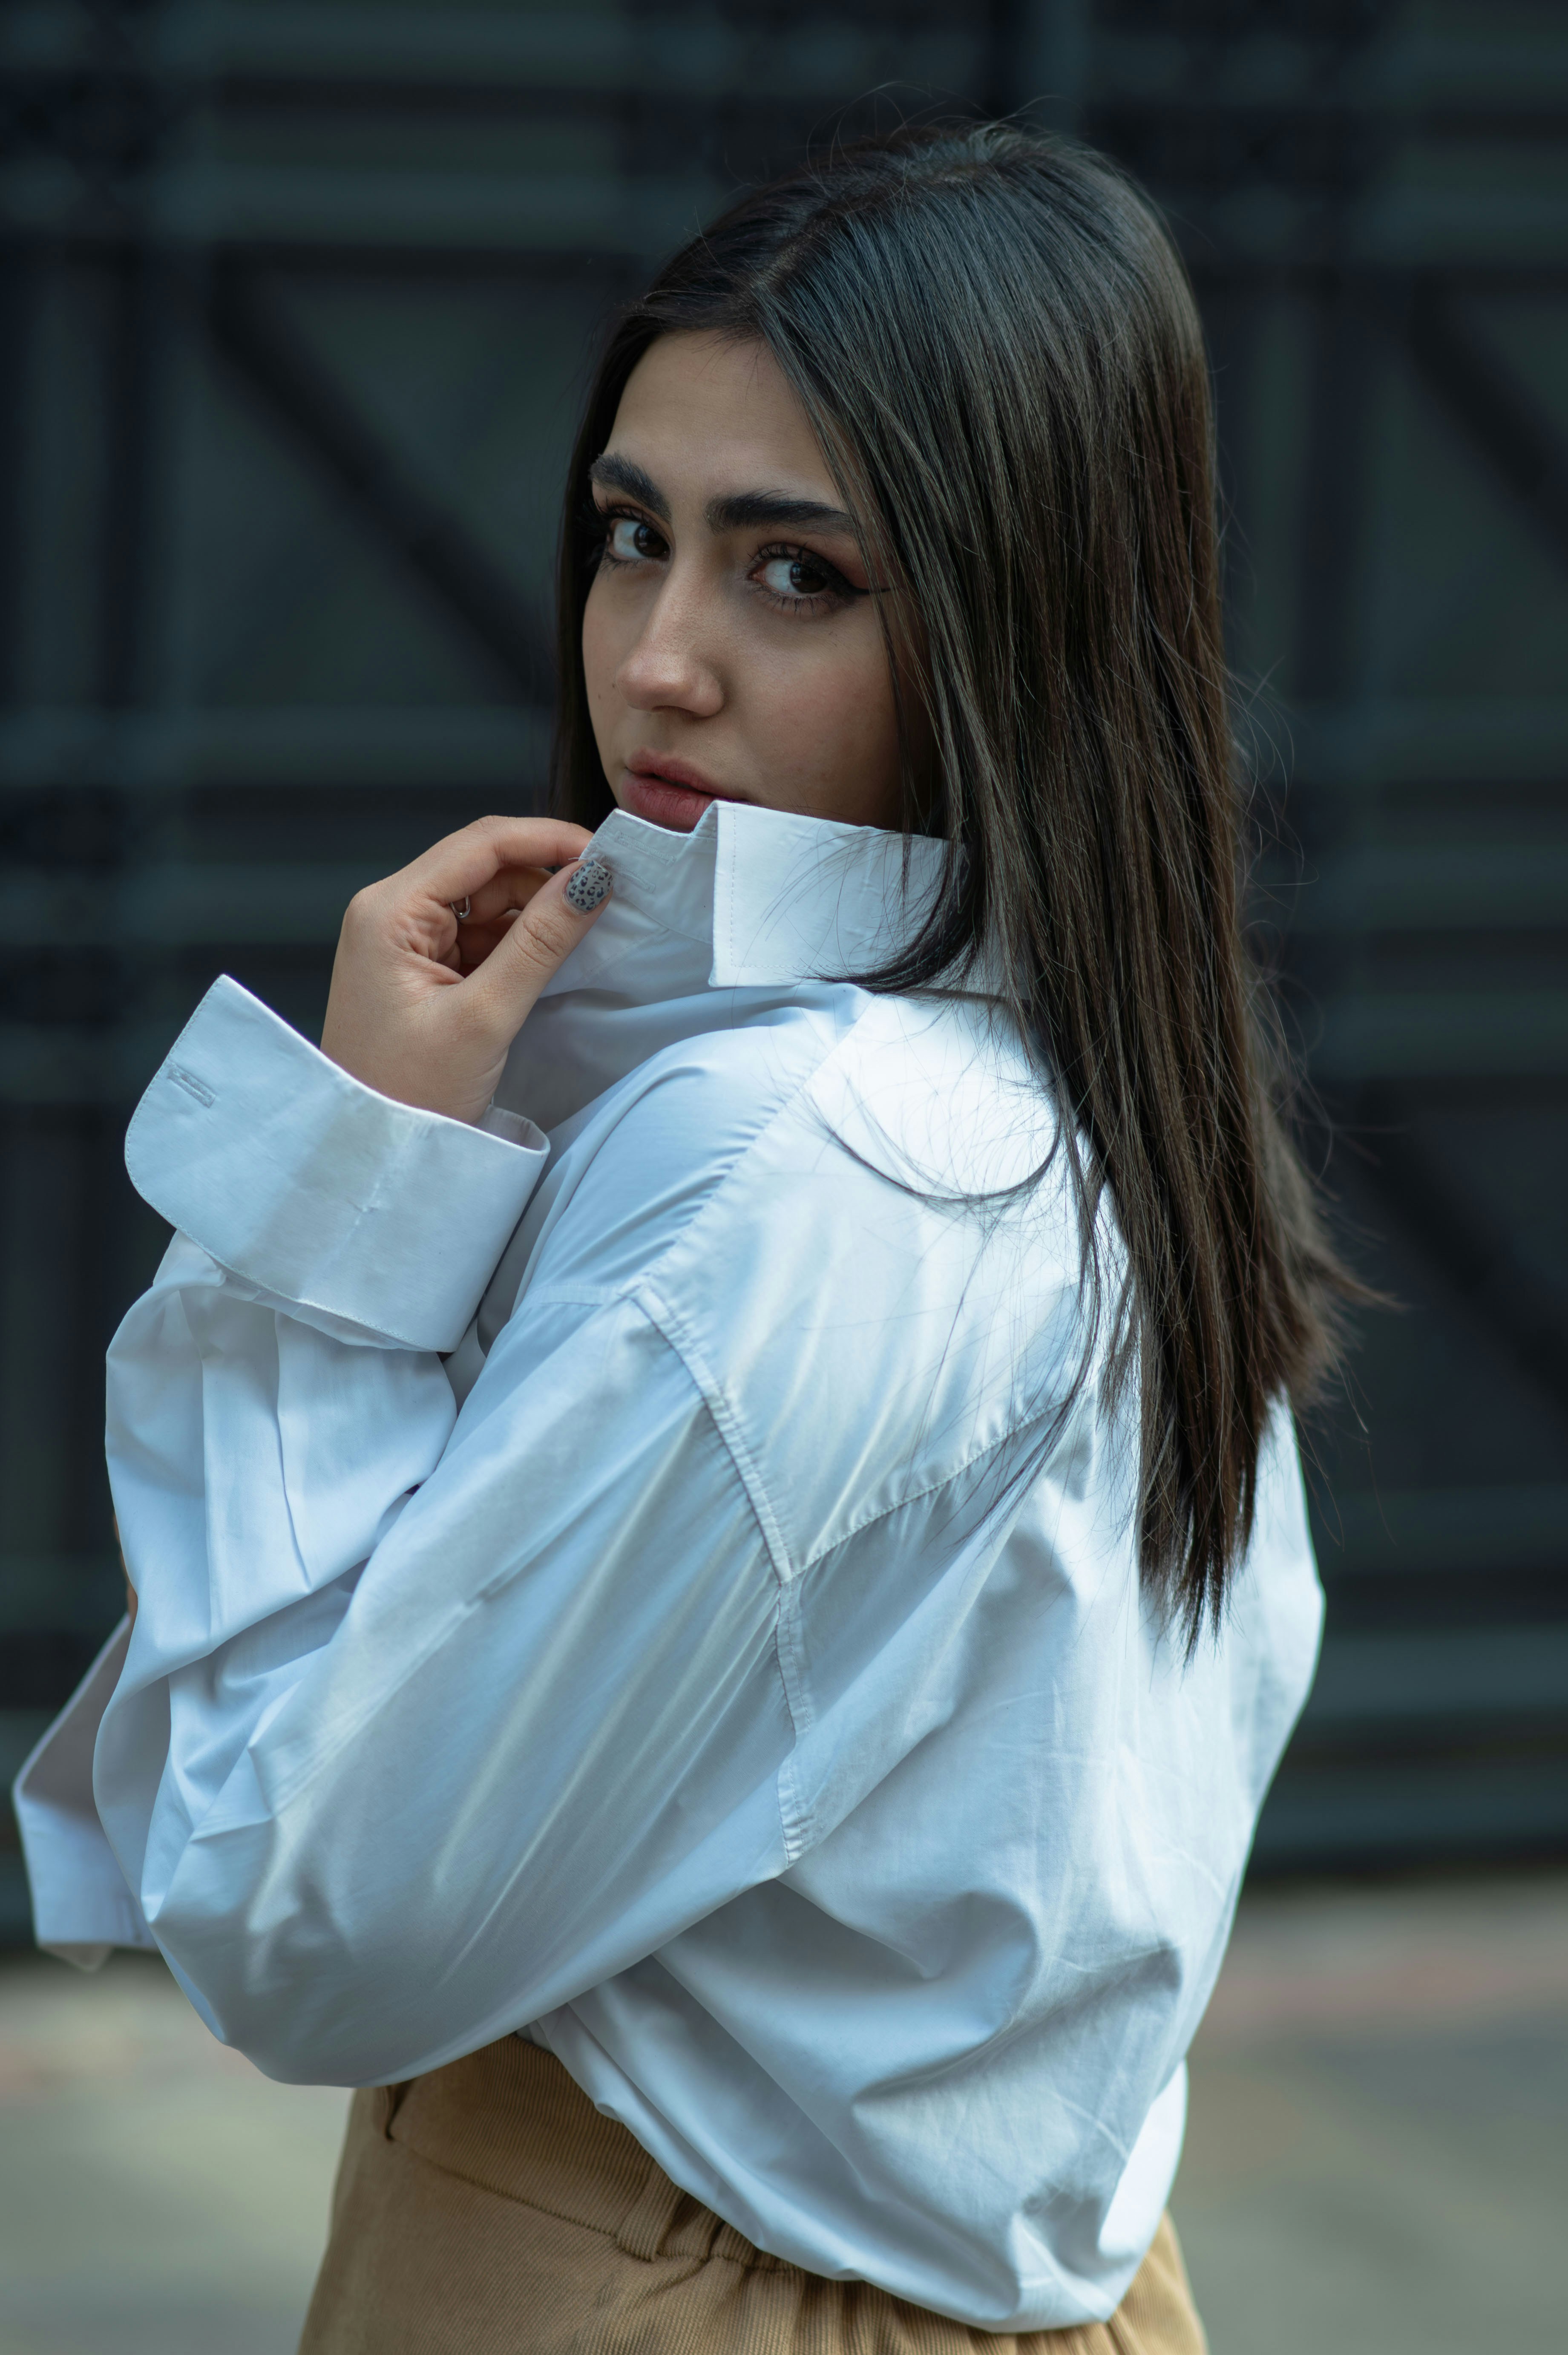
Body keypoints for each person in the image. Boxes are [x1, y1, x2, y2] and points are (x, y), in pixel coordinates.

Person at [15, 124, 1356, 2353]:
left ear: (1016, 613)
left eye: (792, 573)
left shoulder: (825, 1157)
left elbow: (296, 1915)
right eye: (629, 536)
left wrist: (343, 1205)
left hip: (649, 2271)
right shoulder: (1085, 1089)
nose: (654, 659)